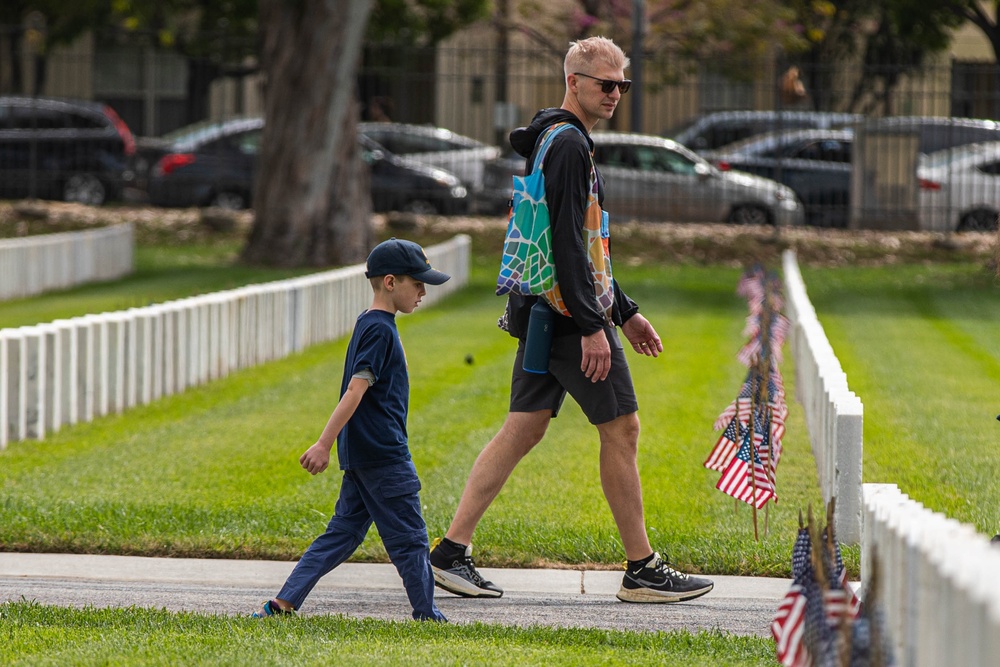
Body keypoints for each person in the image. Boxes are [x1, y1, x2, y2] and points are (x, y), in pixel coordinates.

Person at [429, 36, 714, 604]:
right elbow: (564, 243)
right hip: (565, 315)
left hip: (549, 309)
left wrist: (624, 311)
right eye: (605, 84)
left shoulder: (558, 139)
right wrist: (592, 326)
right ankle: (642, 568)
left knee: (524, 428)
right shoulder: (567, 146)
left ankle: (449, 553)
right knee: (623, 429)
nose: (614, 94)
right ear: (574, 82)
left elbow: (585, 245)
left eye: (621, 85)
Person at [254, 238, 450, 621]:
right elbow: (355, 390)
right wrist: (324, 443)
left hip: (363, 454)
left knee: (342, 534)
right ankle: (428, 615)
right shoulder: (380, 330)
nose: (424, 291)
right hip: (384, 454)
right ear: (390, 282)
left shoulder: (369, 321)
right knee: (411, 540)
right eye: (418, 282)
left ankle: (283, 603)